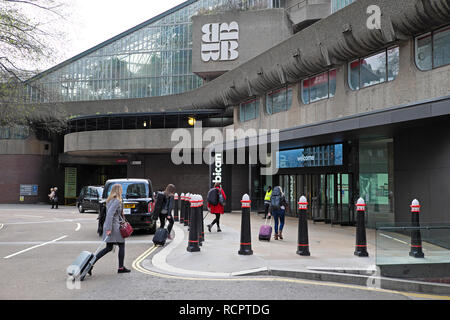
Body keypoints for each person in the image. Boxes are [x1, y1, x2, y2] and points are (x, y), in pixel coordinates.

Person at [91, 184, 131, 275]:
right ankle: (121, 268)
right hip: (114, 227)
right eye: (121, 190)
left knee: (108, 248)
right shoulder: (117, 200)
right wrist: (109, 229)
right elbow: (109, 214)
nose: (122, 191)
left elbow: (113, 213)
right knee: (121, 245)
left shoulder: (109, 200)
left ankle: (91, 264)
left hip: (111, 226)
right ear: (118, 190)